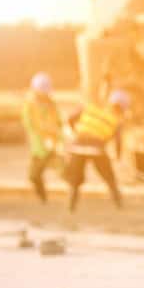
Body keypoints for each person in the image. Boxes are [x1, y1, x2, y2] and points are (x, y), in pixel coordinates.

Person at [64, 89, 131, 213]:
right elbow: (118, 142)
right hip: (96, 149)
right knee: (109, 176)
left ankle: (71, 206)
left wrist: (75, 133)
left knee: (75, 179)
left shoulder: (91, 108)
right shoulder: (116, 120)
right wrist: (117, 157)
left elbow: (70, 118)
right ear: (122, 108)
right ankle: (118, 203)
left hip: (77, 145)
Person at [21, 72, 63, 203]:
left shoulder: (51, 104)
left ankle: (71, 194)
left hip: (51, 144)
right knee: (34, 176)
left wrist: (56, 135)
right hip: (40, 145)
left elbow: (58, 122)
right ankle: (43, 198)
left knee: (62, 172)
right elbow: (29, 124)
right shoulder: (30, 104)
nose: (45, 93)